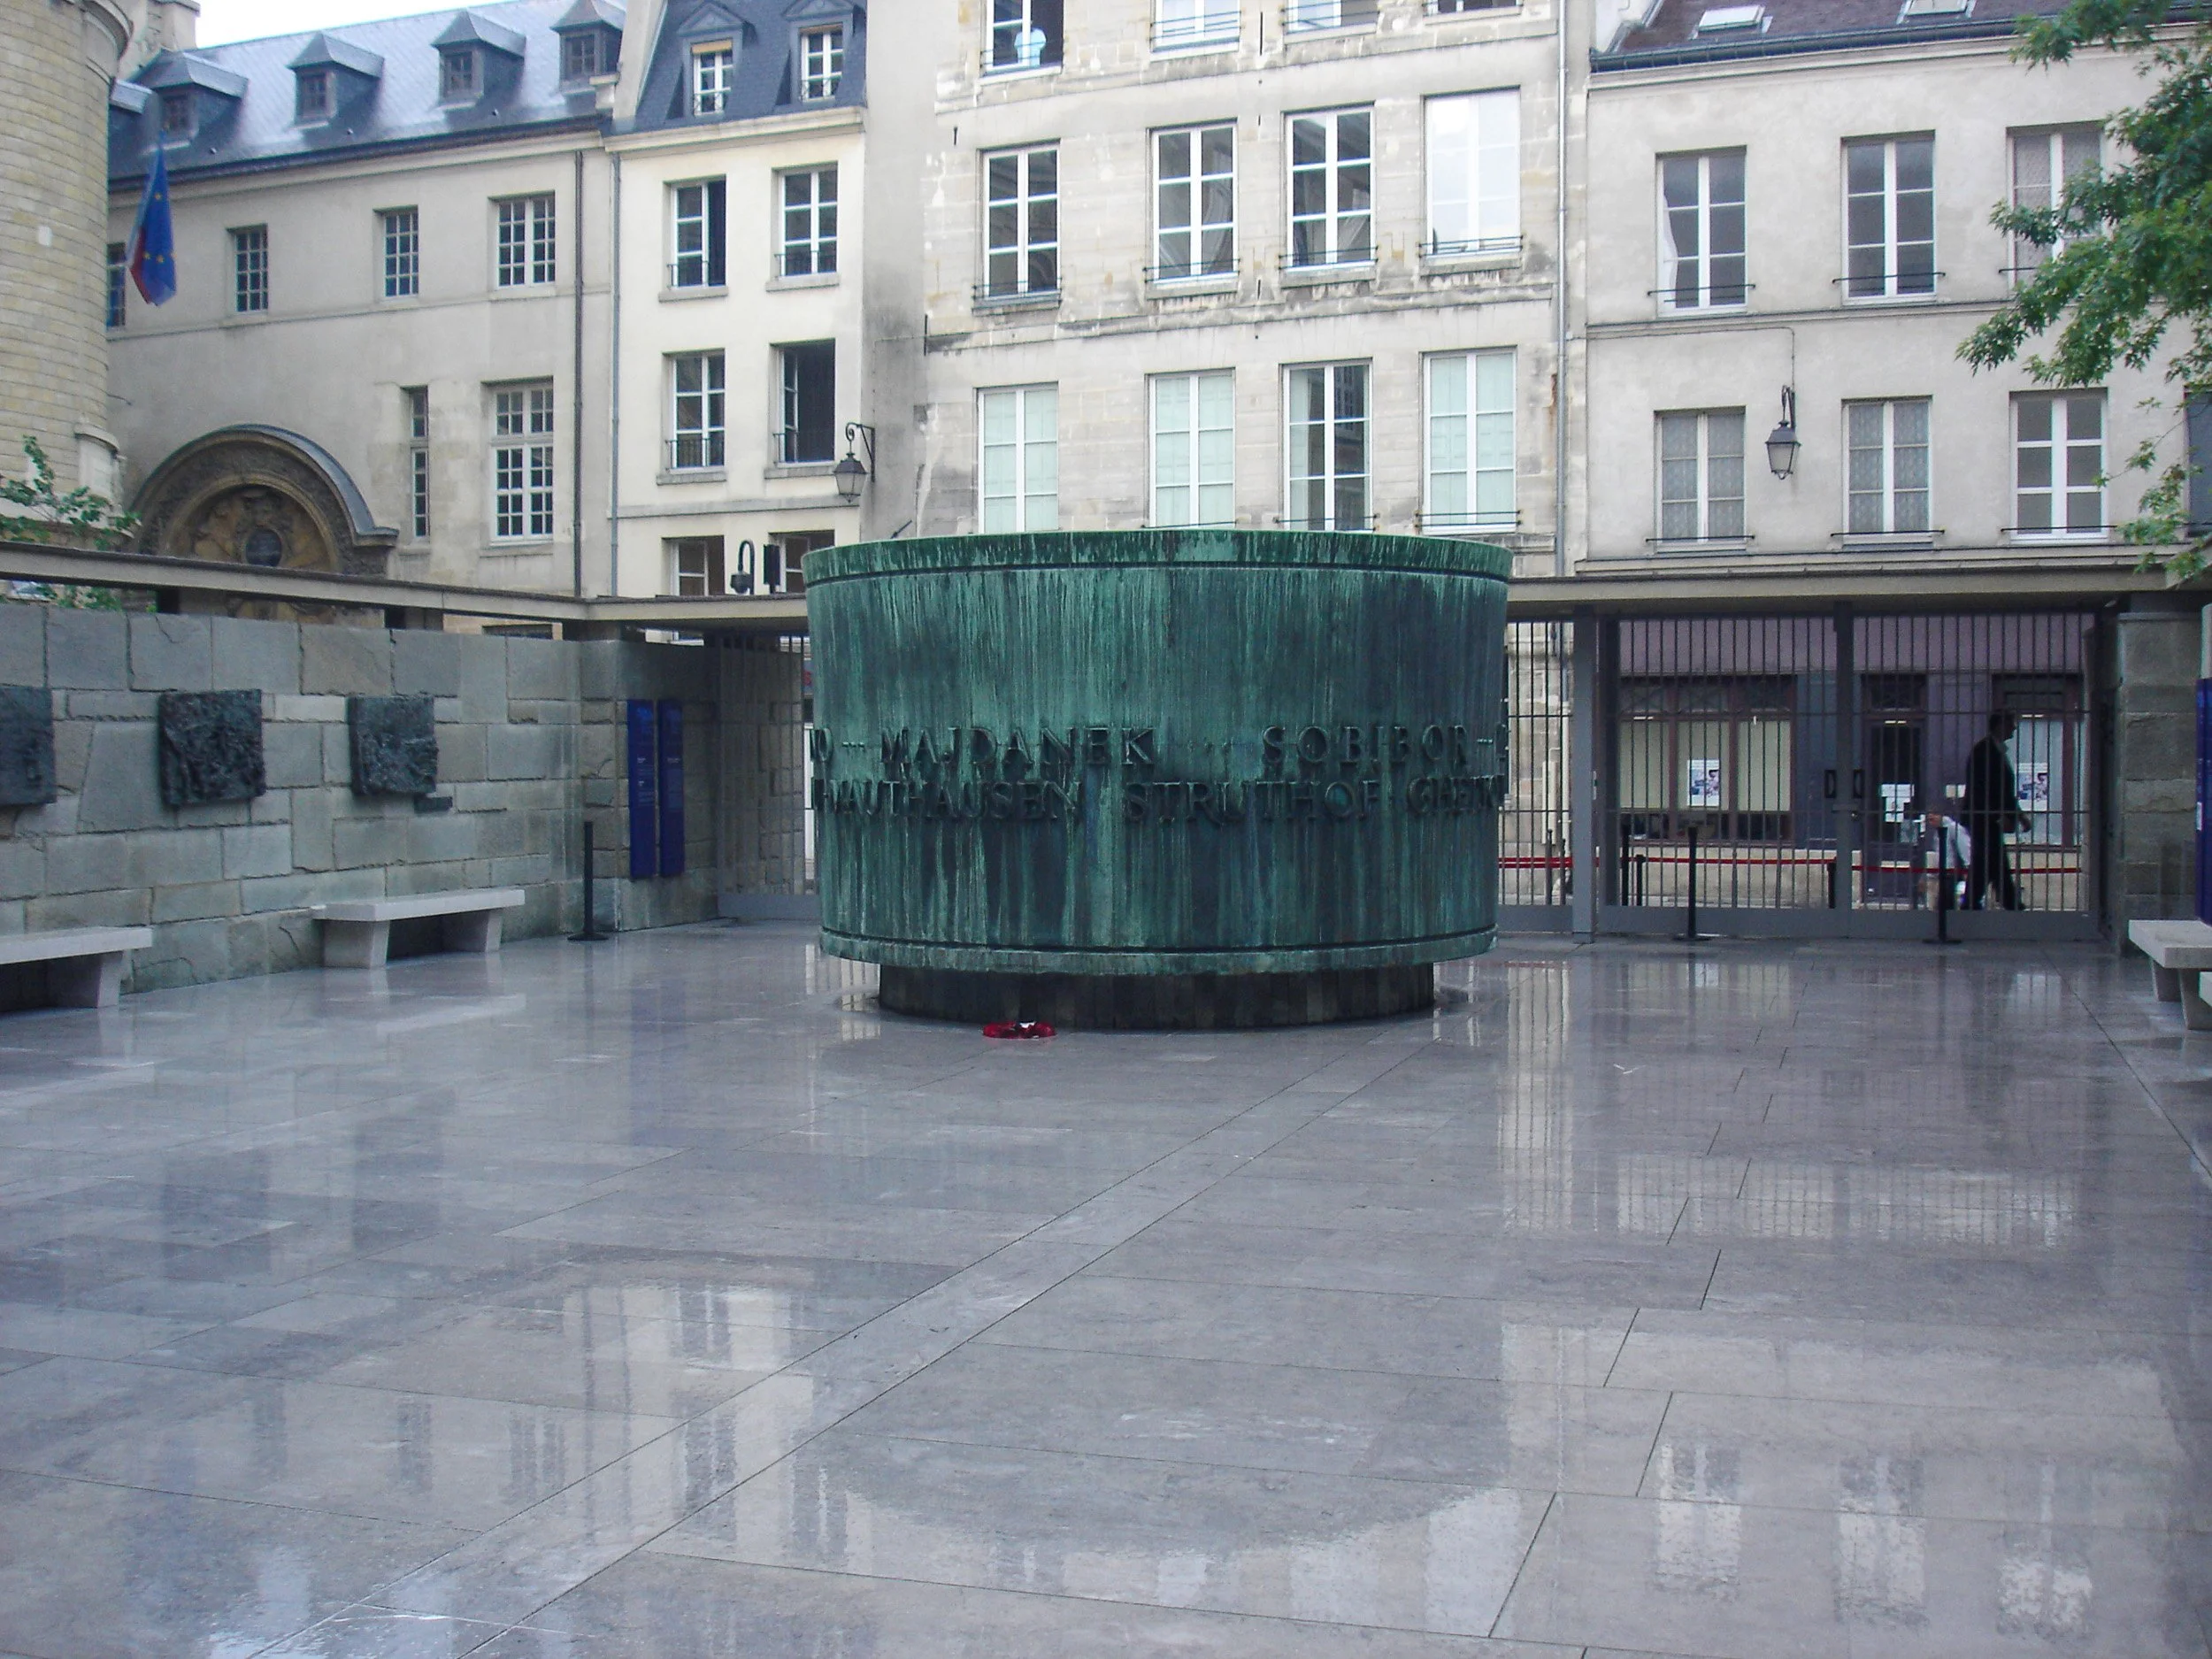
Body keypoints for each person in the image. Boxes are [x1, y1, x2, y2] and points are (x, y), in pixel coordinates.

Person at [1962, 710, 2025, 910]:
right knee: (1989, 860)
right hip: (1983, 818)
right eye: (2010, 723)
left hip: (1986, 818)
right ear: (1999, 725)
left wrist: (2018, 815)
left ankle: (1998, 900)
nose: (2014, 728)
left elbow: (2002, 791)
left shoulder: (1994, 750)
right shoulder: (1985, 752)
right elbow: (1988, 790)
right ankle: (2004, 902)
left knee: (1989, 860)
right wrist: (2002, 816)